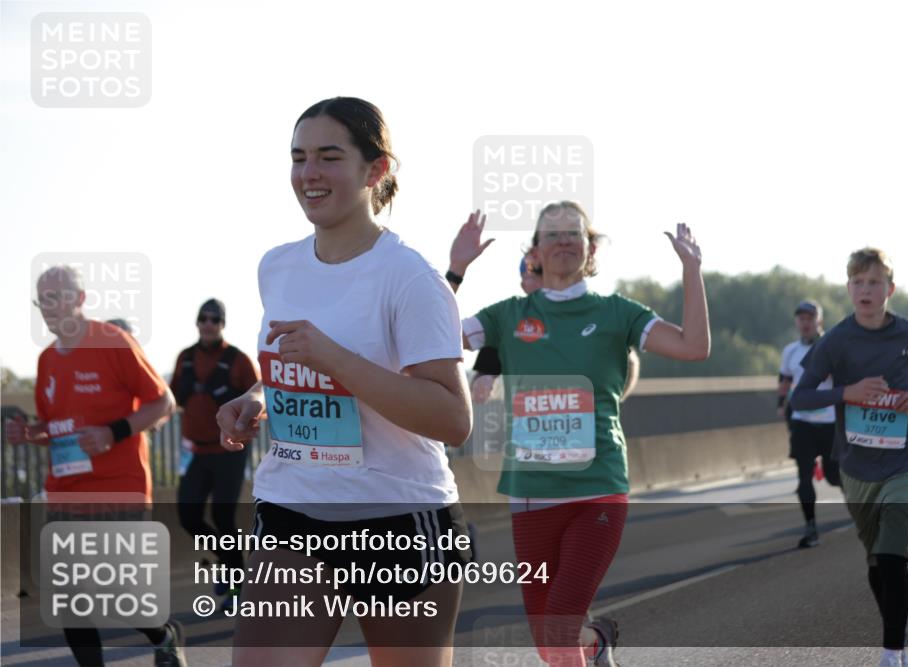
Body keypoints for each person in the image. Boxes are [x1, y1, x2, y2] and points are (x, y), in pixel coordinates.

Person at [215, 96, 472, 667]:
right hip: (291, 508)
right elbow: (290, 365)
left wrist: (338, 362)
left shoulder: (412, 278)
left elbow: (452, 419)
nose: (309, 173)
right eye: (298, 157)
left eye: (329, 157)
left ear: (374, 170)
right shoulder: (276, 266)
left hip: (397, 519)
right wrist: (257, 397)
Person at [455, 203, 710, 667]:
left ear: (590, 248)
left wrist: (691, 270)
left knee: (558, 630)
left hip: (598, 488)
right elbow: (430, 338)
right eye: (552, 234)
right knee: (550, 644)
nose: (564, 241)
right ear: (535, 250)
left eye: (574, 232)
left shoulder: (617, 313)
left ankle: (584, 639)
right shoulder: (507, 315)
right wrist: (455, 271)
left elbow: (694, 347)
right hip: (531, 494)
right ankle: (596, 641)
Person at [4, 265, 186, 667]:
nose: (50, 307)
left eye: (58, 297)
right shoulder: (48, 359)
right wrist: (30, 434)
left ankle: (164, 634)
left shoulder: (113, 343)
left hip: (121, 485)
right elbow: (56, 427)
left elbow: (164, 403)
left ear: (80, 299)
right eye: (43, 300)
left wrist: (113, 432)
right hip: (67, 489)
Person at [791, 248, 908, 667]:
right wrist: (846, 393)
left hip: (904, 460)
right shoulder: (836, 339)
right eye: (858, 282)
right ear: (849, 288)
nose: (865, 290)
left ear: (889, 289)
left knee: (894, 553)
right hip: (855, 466)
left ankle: (893, 651)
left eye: (874, 282)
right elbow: (801, 396)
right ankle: (896, 623)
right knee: (876, 560)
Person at [447, 222, 640, 405]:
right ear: (523, 284)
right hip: (530, 433)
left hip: (586, 432)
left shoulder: (595, 314)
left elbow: (628, 364)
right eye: (530, 274)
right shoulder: (508, 321)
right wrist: (483, 381)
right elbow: (441, 336)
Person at [170, 298, 259, 607]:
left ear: (222, 325)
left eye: (215, 319)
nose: (208, 323)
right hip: (196, 451)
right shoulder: (185, 358)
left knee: (223, 516)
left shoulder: (238, 360)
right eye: (203, 318)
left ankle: (236, 588)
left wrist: (243, 425)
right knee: (188, 515)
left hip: (229, 451)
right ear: (197, 322)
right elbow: (175, 397)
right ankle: (232, 564)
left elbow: (258, 398)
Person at [777, 299, 841, 548]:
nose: (805, 323)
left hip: (829, 421)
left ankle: (861, 512)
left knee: (835, 477)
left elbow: (843, 379)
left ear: (819, 321)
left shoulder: (831, 346)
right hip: (802, 421)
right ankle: (811, 527)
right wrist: (781, 404)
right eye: (801, 318)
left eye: (810, 318)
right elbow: (785, 380)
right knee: (803, 476)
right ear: (797, 322)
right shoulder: (790, 351)